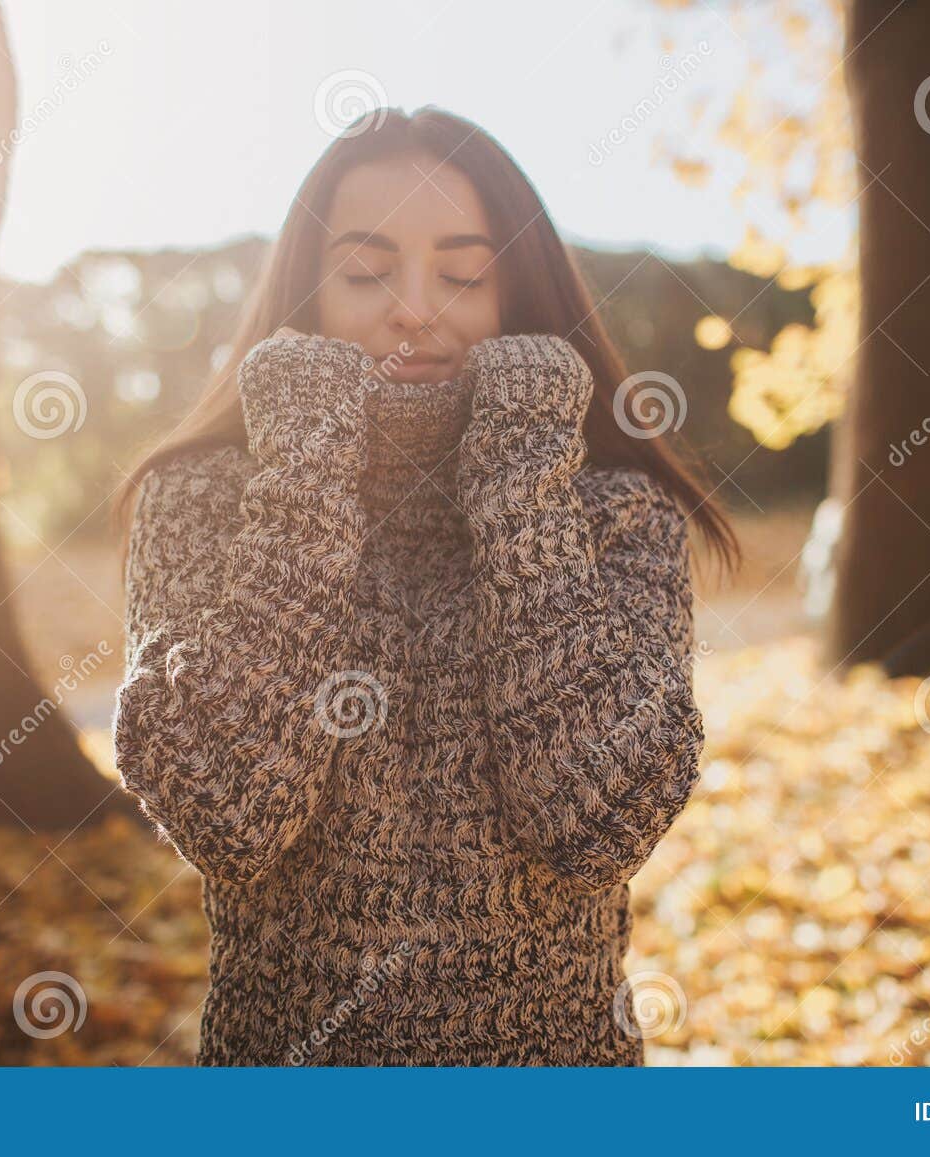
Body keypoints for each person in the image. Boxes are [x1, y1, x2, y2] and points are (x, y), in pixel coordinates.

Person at [112, 105, 738, 1065]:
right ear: (307, 293)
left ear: (518, 290)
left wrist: (522, 484)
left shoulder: (619, 513)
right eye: (364, 271)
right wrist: (311, 470)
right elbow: (229, 810)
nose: (415, 307)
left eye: (463, 273)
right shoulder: (195, 500)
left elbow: (595, 821)